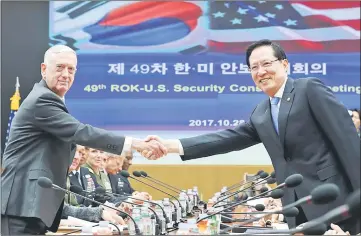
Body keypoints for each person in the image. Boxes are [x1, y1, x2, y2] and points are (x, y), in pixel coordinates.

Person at [141, 40, 361, 234]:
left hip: (335, 201)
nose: (260, 71)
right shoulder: (261, 112)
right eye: (254, 67)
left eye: (266, 64)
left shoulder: (308, 89)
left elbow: (348, 143)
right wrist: (169, 146)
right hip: (297, 207)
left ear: (284, 64)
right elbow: (228, 138)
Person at [0, 45, 166, 235]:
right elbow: (81, 132)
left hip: (29, 208)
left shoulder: (50, 98)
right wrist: (135, 144)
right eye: (60, 67)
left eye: (71, 69)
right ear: (44, 70)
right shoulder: (42, 100)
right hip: (20, 206)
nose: (66, 74)